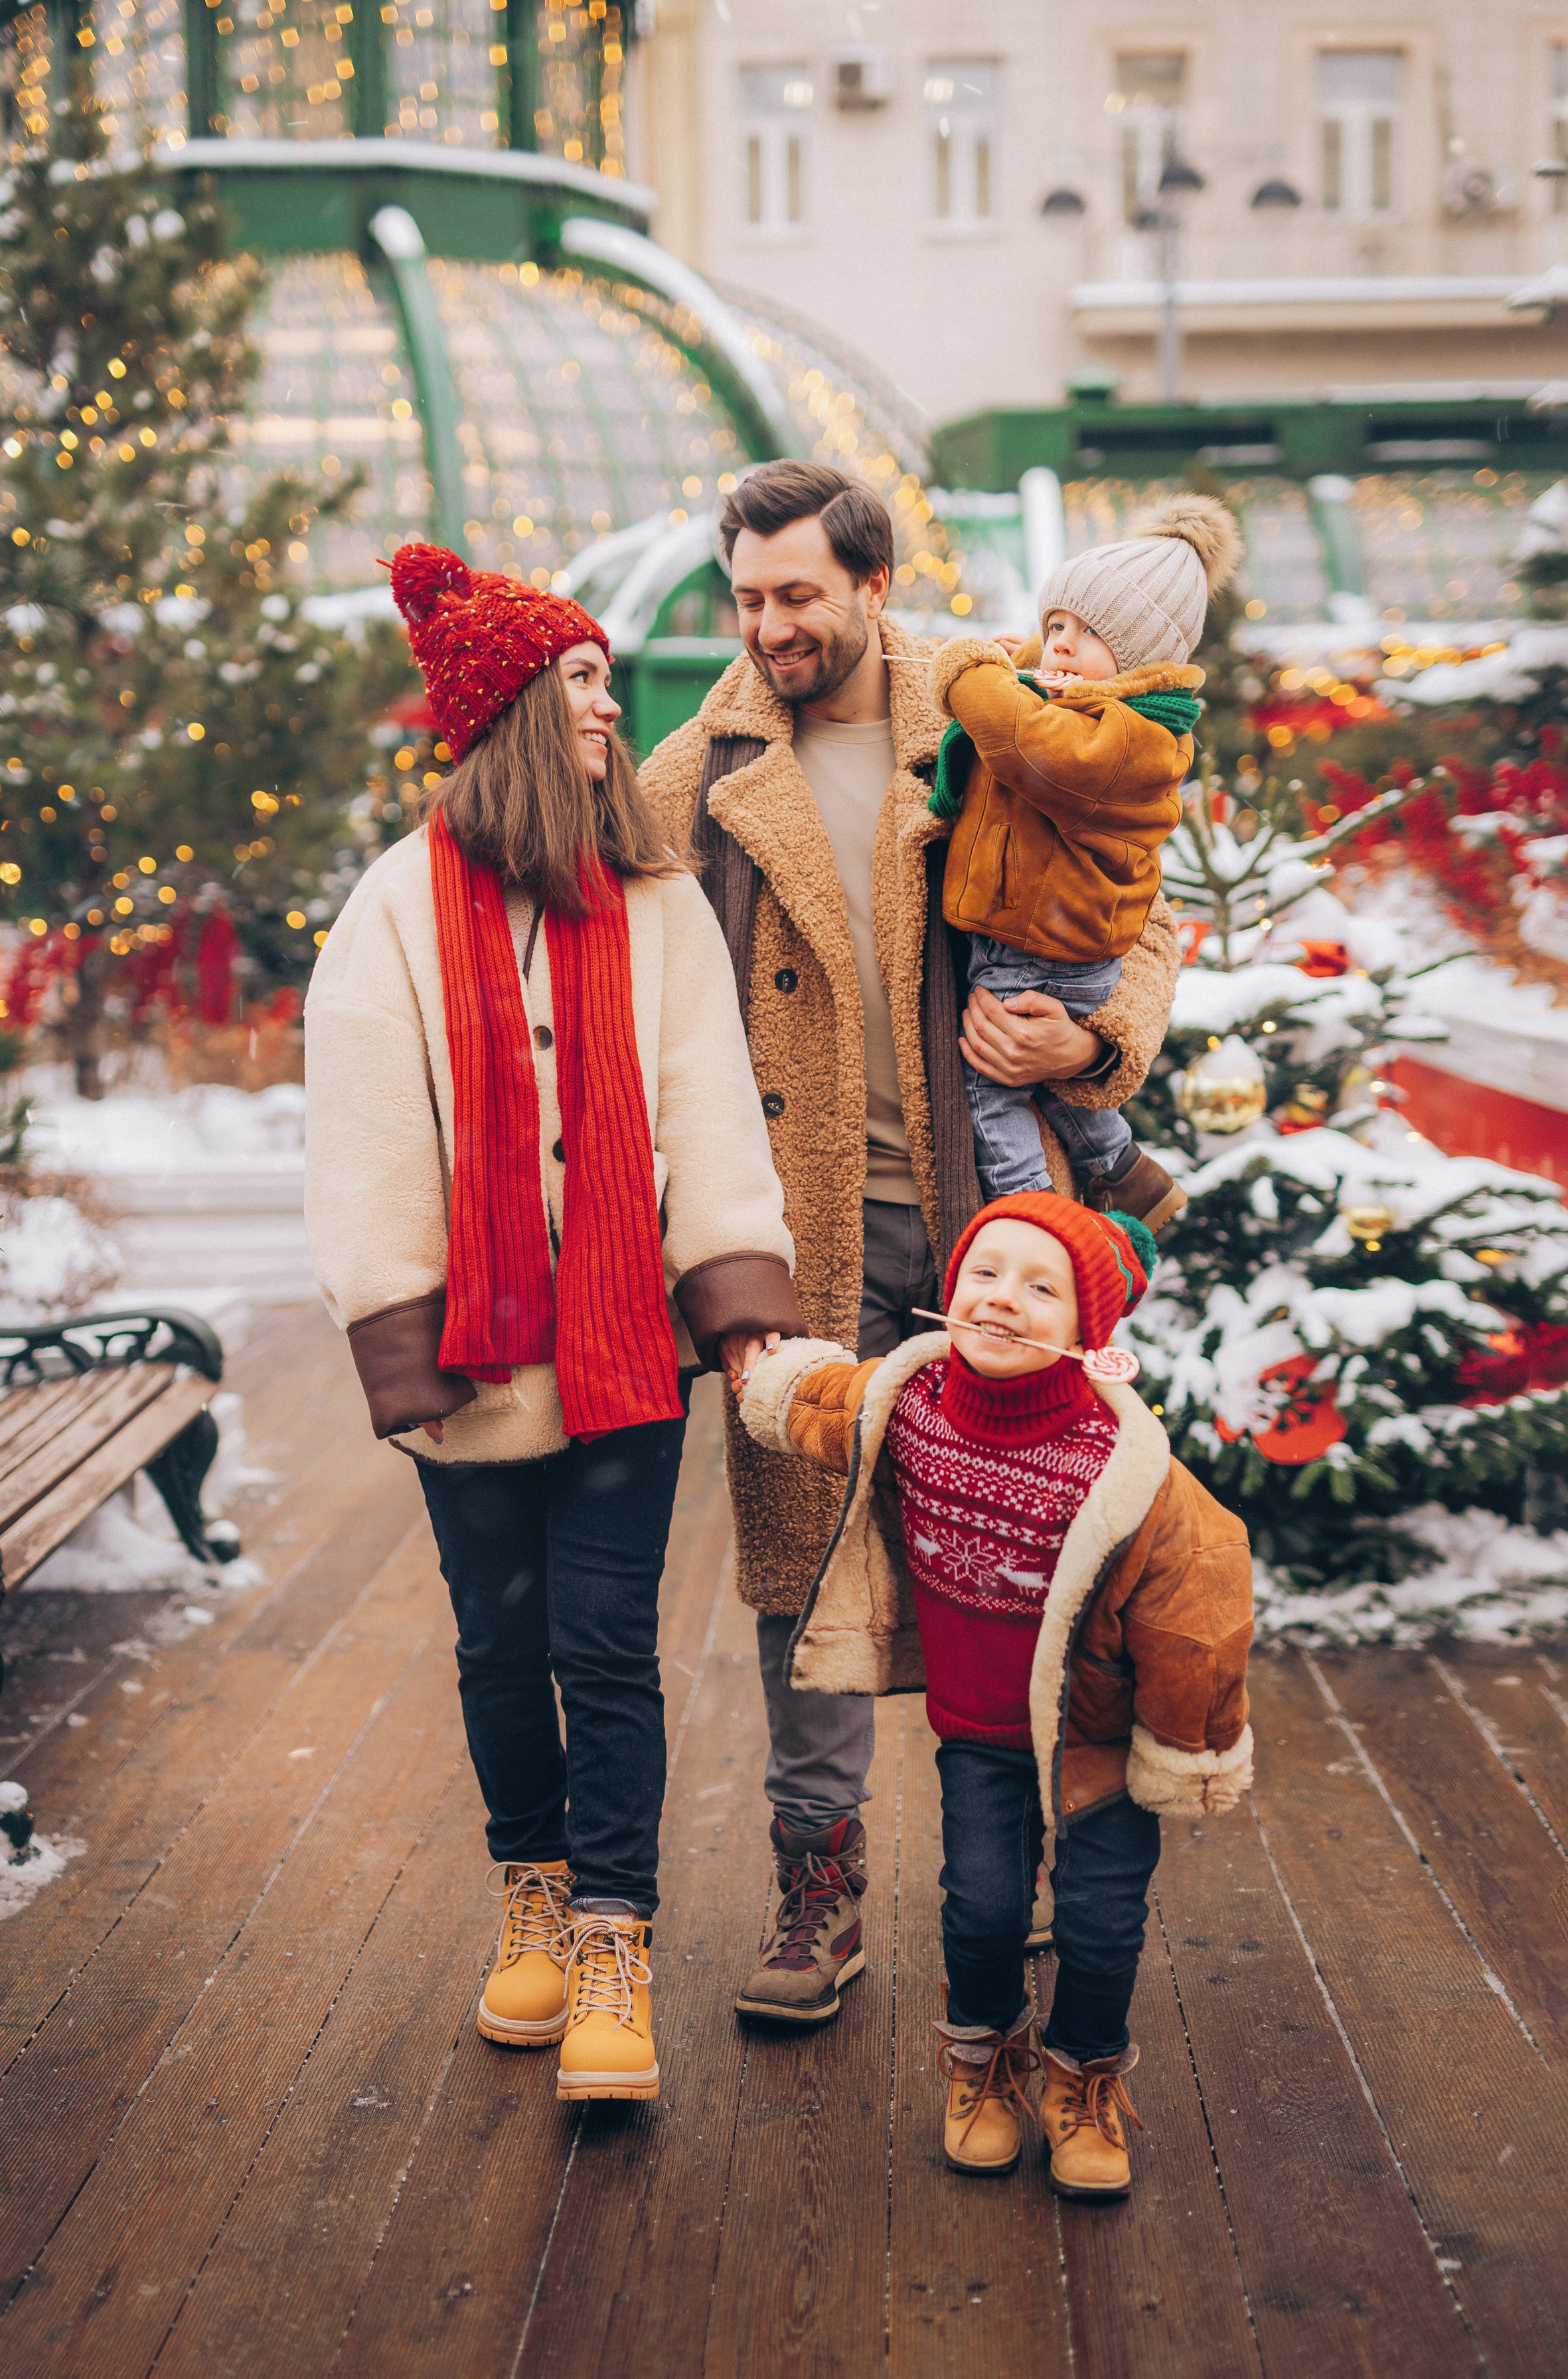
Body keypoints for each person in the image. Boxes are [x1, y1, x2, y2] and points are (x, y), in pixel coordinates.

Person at [637, 461, 1182, 2026]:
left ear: (872, 586)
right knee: (800, 1571)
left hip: (990, 1227)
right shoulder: (699, 771)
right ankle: (817, 1893)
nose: (769, 626)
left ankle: (1006, 1884)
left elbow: (1135, 912)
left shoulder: (991, 704)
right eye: (746, 598)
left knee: (1026, 1551)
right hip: (792, 1233)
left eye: (798, 595)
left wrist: (1085, 1055)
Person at [303, 542, 805, 2106]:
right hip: (470, 1356)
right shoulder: (391, 909)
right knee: (494, 1643)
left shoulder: (655, 909)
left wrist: (734, 1301)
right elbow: (371, 1135)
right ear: (515, 705)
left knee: (606, 1648)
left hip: (619, 1347)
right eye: (581, 678)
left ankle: (610, 1939)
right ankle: (527, 1888)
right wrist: (400, 1340)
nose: (606, 704)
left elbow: (706, 1111)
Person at [737, 1193, 1253, 2198]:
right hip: (978, 1730)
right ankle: (981, 2065)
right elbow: (830, 1402)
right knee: (979, 1910)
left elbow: (1202, 1601)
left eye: (1041, 1287)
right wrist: (772, 1376)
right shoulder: (914, 1407)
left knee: (1102, 1922)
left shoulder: (1125, 1465)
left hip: (1096, 1740)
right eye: (984, 1274)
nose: (1003, 1300)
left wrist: (1187, 1745)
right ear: (948, 1292)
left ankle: (1085, 2077)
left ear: (1088, 1331)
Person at [929, 495, 1242, 1230]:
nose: (1059, 648)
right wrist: (1023, 664)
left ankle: (1028, 1215)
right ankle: (1125, 1171)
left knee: (992, 1083)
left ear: (1139, 662)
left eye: (1085, 633)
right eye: (1054, 628)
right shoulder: (1100, 713)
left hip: (1039, 950)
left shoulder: (1128, 740)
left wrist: (969, 674)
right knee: (1040, 1079)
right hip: (1055, 942)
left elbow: (1027, 747)